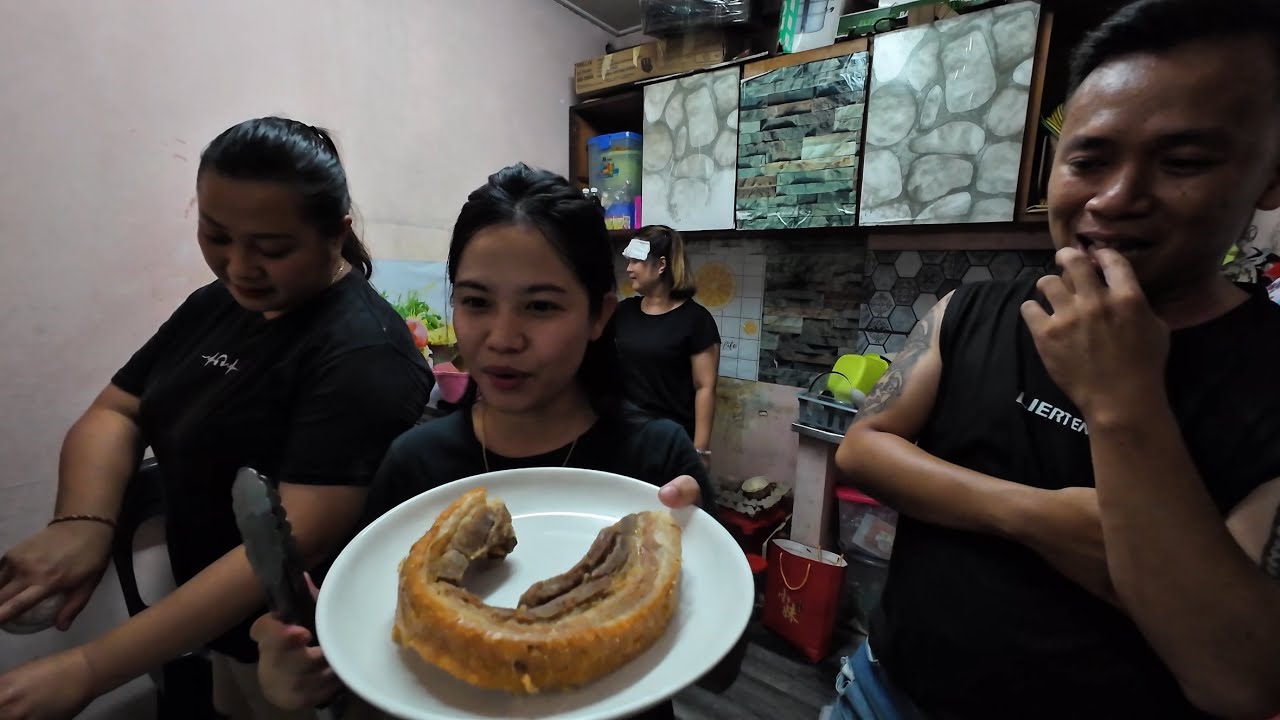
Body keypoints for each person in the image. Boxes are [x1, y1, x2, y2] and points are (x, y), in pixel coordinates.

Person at [830, 1, 1280, 718]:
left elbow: (1240, 679)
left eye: (1184, 162)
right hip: (883, 694)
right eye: (1090, 159)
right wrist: (1043, 517)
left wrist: (1123, 401)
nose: (1117, 196)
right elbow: (860, 450)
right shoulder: (971, 309)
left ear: (1269, 177)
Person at [249, 165, 736, 720]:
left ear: (599, 315)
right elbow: (369, 668)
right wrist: (303, 674)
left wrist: (703, 559)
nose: (503, 339)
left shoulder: (658, 463)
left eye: (541, 306)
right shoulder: (414, 464)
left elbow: (721, 670)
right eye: (477, 302)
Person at [0, 117, 434, 720]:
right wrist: (83, 521)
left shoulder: (364, 352)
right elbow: (119, 408)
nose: (237, 267)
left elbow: (296, 536)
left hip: (301, 653)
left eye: (272, 248)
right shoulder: (219, 304)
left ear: (337, 234)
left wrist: (89, 667)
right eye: (216, 236)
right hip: (213, 625)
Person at [614, 225, 720, 460]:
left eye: (636, 261)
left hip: (669, 443)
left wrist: (700, 451)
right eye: (629, 261)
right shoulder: (623, 312)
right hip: (623, 436)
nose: (629, 269)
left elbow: (705, 387)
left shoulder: (696, 320)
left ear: (661, 265)